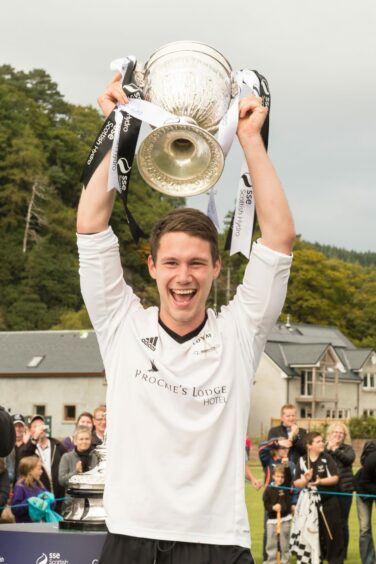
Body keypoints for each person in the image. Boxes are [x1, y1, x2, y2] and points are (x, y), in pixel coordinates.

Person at [76, 73, 295, 563]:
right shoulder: (121, 325)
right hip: (130, 537)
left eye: (197, 263)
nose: (184, 276)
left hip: (217, 543)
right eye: (171, 263)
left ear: (217, 268)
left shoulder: (239, 332)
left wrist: (249, 140)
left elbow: (279, 239)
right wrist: (120, 128)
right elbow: (91, 226)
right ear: (151, 267)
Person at [294, 432, 344, 564]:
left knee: (333, 536)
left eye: (322, 441)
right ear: (309, 446)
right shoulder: (302, 461)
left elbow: (335, 478)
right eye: (318, 441)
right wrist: (305, 479)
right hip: (310, 506)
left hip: (328, 504)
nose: (322, 443)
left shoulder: (327, 458)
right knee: (314, 536)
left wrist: (319, 482)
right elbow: (296, 483)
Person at [18, 415, 67, 513]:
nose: (40, 428)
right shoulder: (29, 448)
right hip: (40, 500)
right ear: (30, 430)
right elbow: (23, 458)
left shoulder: (57, 445)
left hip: (59, 498)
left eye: (42, 425)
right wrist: (34, 439)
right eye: (35, 426)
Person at [325, 422, 355, 559]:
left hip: (344, 491)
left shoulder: (348, 449)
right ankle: (329, 552)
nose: (338, 434)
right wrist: (329, 449)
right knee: (329, 522)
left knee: (343, 522)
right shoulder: (324, 449)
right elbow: (321, 461)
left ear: (344, 436)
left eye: (341, 433)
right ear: (330, 434)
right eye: (335, 432)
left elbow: (348, 460)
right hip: (328, 491)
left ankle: (342, 553)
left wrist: (336, 449)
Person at [263, 464, 292, 564]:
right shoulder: (269, 489)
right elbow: (266, 505)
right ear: (273, 476)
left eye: (282, 477)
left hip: (284, 520)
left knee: (284, 544)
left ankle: (285, 561)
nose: (280, 479)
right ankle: (271, 561)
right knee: (271, 543)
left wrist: (286, 466)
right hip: (272, 520)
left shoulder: (286, 486)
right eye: (278, 476)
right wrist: (273, 507)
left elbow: (289, 476)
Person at [353, 439, 376, 564]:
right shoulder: (372, 459)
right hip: (364, 491)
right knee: (365, 528)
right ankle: (368, 561)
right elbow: (364, 482)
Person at [12, 456, 46, 523]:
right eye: (39, 469)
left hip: (40, 525)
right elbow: (15, 509)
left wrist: (50, 500)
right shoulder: (20, 486)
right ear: (30, 470)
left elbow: (49, 503)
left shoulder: (39, 485)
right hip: (25, 527)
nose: (41, 471)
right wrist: (30, 502)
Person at [6, 413, 30, 485]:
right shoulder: (6, 446)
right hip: (8, 487)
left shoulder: (30, 446)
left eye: (20, 426)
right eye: (15, 426)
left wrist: (27, 444)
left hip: (25, 486)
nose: (17, 429)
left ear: (24, 428)